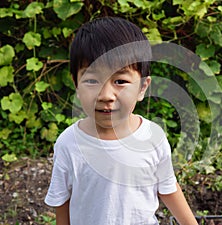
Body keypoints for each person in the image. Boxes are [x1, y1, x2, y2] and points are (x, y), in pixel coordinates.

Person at [44, 17, 198, 225]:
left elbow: (168, 188)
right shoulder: (69, 143)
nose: (106, 95)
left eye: (120, 81)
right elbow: (62, 203)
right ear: (76, 85)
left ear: (142, 87)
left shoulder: (153, 138)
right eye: (91, 80)